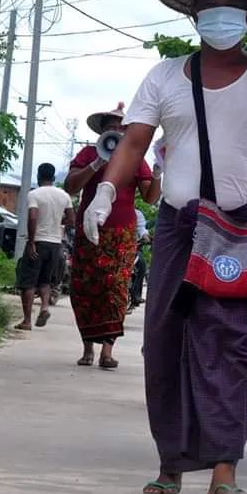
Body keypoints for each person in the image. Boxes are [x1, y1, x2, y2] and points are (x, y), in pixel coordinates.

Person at [83, 0, 247, 494]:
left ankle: (225, 472)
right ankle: (171, 464)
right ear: (194, 14)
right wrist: (105, 191)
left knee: (234, 345)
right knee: (165, 343)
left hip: (242, 226)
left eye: (233, 8)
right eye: (211, 7)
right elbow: (133, 143)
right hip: (178, 226)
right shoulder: (165, 75)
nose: (221, 17)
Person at [65, 104, 161, 369]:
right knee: (84, 287)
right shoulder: (87, 154)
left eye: (121, 127)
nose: (115, 131)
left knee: (115, 288)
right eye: (111, 127)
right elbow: (71, 186)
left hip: (121, 233)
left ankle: (107, 351)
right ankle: (87, 349)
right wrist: (97, 162)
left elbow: (151, 197)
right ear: (102, 130)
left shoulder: (135, 159)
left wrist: (157, 173)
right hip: (89, 229)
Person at [14, 163, 73, 331]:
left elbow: (33, 217)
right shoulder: (64, 195)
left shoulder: (34, 194)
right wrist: (57, 223)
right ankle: (45, 308)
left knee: (28, 282)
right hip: (56, 244)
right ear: (54, 178)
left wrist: (31, 242)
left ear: (39, 176)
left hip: (39, 242)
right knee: (45, 281)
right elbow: (71, 220)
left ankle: (26, 321)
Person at [130, 208, 150, 310]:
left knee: (141, 264)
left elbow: (142, 229)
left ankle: (136, 295)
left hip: (133, 247)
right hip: (113, 246)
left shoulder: (137, 214)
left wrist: (146, 237)